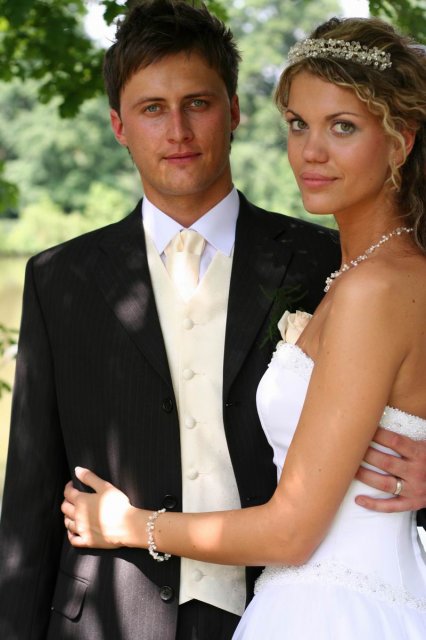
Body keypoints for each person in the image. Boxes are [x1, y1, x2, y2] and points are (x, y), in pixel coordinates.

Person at [0, 2, 424, 638]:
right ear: (118, 125)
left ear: (233, 111)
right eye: (152, 109)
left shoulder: (329, 262)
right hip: (109, 621)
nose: (178, 131)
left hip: (289, 607)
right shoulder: (58, 279)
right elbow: (29, 508)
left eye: (197, 103)